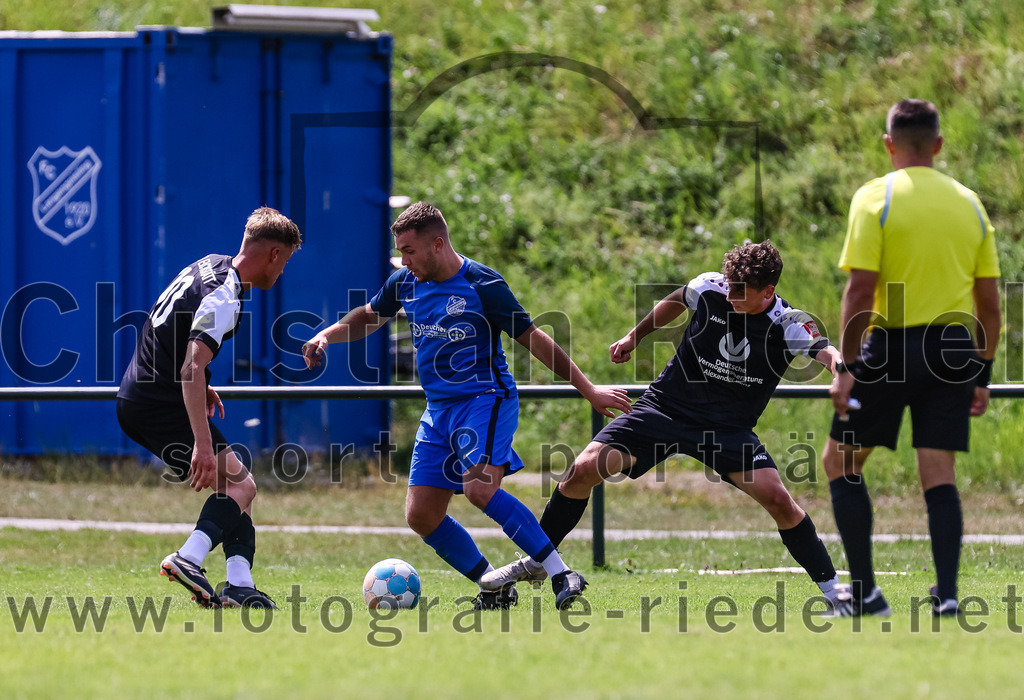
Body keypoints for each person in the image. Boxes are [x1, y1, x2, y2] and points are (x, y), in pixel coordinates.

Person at [482, 241, 848, 609]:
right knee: (581, 470)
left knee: (779, 501)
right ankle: (540, 561)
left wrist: (840, 371)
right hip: (666, 407)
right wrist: (634, 336)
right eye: (729, 284)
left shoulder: (788, 323)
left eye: (742, 291)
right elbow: (676, 299)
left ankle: (836, 593)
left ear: (768, 291)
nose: (731, 294)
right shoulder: (711, 287)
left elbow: (825, 352)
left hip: (726, 428)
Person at [302, 202, 631, 610]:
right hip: (437, 410)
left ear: (437, 244)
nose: (403, 260)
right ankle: (494, 586)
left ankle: (561, 572)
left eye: (409, 251)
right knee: (421, 515)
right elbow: (370, 316)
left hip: (484, 400)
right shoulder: (405, 282)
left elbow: (535, 340)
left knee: (478, 489)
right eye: (400, 252)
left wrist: (590, 390)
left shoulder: (482, 284)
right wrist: (325, 336)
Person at [823, 99, 1002, 618]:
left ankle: (866, 594)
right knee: (938, 473)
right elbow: (989, 305)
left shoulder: (875, 197)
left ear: (889, 144)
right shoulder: (969, 204)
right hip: (952, 351)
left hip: (890, 349)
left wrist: (848, 369)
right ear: (939, 146)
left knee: (841, 462)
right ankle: (946, 595)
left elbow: (860, 292)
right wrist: (982, 374)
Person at [117, 206, 302, 609]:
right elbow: (191, 364)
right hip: (158, 403)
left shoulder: (211, 266)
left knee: (238, 489)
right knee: (241, 485)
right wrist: (201, 441)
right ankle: (187, 559)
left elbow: (177, 338)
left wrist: (205, 387)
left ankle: (238, 583)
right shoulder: (226, 295)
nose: (283, 270)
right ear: (273, 254)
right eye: (285, 261)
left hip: (146, 394)